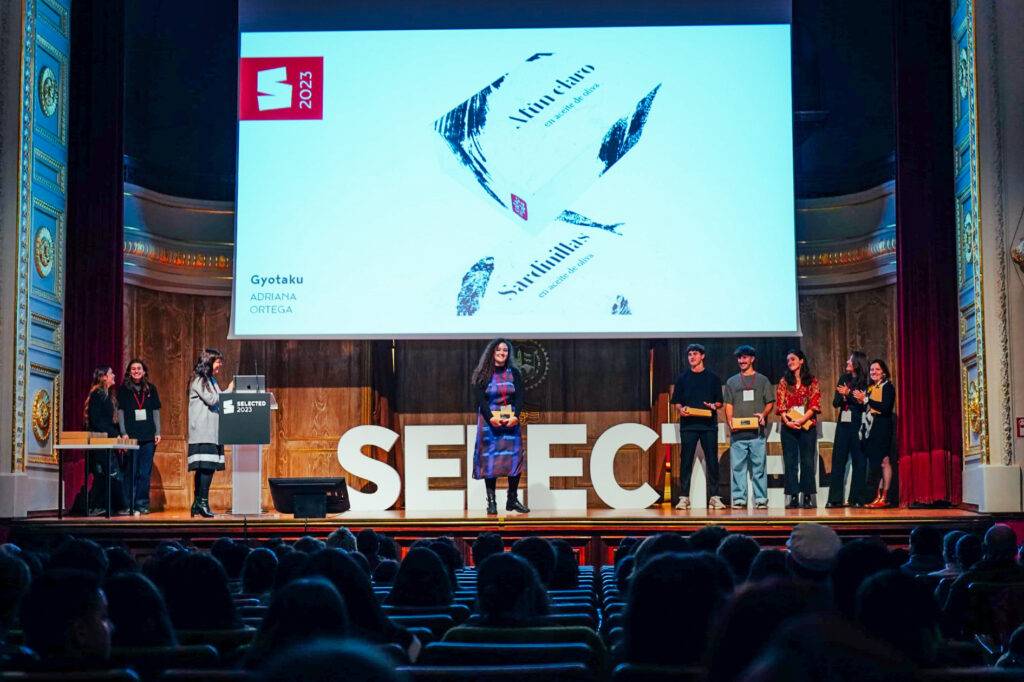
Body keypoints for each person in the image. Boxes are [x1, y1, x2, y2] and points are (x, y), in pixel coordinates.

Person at [471, 338, 527, 514]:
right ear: (492, 353)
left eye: (505, 350)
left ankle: (512, 500)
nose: (502, 353)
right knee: (490, 462)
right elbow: (480, 399)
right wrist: (490, 418)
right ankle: (492, 502)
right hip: (489, 423)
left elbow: (520, 397)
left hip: (510, 421)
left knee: (515, 459)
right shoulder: (483, 373)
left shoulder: (514, 373)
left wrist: (516, 417)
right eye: (498, 350)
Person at [670, 343, 725, 509]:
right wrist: (681, 410)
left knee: (712, 461)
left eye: (695, 354)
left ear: (702, 356)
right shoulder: (682, 378)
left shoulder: (713, 378)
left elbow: (719, 402)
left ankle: (714, 496)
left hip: (708, 425)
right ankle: (684, 497)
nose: (691, 357)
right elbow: (677, 402)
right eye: (689, 355)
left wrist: (713, 406)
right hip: (688, 426)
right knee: (685, 461)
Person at [723, 345, 775, 509]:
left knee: (759, 468)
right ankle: (739, 499)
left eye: (745, 357)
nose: (741, 361)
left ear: (752, 359)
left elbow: (770, 402)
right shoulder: (731, 381)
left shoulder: (762, 380)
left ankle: (761, 499)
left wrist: (763, 414)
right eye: (739, 358)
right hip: (738, 435)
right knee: (738, 468)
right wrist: (730, 421)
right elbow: (728, 404)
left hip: (757, 434)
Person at [187, 348, 233, 518]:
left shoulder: (211, 380)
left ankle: (197, 503)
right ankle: (202, 503)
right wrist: (229, 390)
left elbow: (218, 400)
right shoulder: (200, 380)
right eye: (217, 361)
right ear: (208, 362)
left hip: (212, 431)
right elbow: (213, 399)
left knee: (206, 468)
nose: (220, 364)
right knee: (205, 468)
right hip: (203, 432)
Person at [775, 350, 822, 508]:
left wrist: (802, 420)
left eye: (793, 359)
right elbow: (780, 406)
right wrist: (788, 422)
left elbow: (815, 403)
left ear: (801, 361)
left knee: (807, 461)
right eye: (788, 360)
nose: (790, 362)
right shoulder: (784, 382)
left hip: (807, 426)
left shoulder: (812, 381)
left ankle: (807, 496)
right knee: (790, 462)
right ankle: (793, 496)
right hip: (789, 427)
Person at [116, 358, 161, 515]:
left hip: (148, 436)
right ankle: (128, 504)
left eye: (139, 368)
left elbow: (155, 412)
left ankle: (142, 504)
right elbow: (120, 412)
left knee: (144, 472)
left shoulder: (151, 389)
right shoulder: (123, 390)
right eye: (133, 369)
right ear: (129, 372)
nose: (136, 371)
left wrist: (158, 432)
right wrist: (123, 432)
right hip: (131, 436)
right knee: (131, 471)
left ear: (144, 372)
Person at [826, 351, 869, 508]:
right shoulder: (844, 379)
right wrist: (847, 396)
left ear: (857, 363)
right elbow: (836, 402)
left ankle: (856, 498)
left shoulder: (865, 381)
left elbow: (863, 403)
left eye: (850, 360)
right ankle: (834, 499)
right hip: (843, 424)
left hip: (858, 424)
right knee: (838, 460)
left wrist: (848, 393)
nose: (847, 362)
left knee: (859, 461)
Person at [84, 366, 127, 515]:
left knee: (107, 474)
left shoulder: (107, 395)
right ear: (103, 377)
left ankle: (109, 506)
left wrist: (119, 434)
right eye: (111, 373)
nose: (114, 375)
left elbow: (108, 422)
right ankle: (97, 506)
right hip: (99, 442)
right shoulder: (98, 394)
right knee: (105, 474)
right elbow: (97, 421)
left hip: (106, 442)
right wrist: (115, 434)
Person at [856, 359, 896, 508]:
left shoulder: (888, 387)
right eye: (872, 370)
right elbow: (868, 406)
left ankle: (885, 497)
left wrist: (866, 400)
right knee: (877, 464)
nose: (874, 372)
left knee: (885, 461)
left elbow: (885, 408)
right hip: (871, 429)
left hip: (883, 428)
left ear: (883, 372)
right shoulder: (871, 388)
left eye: (877, 369)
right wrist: (862, 401)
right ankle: (878, 496)